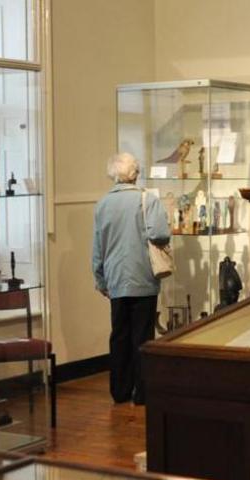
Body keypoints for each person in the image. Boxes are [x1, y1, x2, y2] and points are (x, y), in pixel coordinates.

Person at [91, 152, 171, 405]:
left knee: (119, 335)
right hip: (143, 277)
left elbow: (97, 247)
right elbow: (160, 233)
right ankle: (143, 392)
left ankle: (120, 390)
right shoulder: (147, 200)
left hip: (115, 278)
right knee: (143, 336)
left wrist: (100, 279)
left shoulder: (102, 204)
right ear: (134, 173)